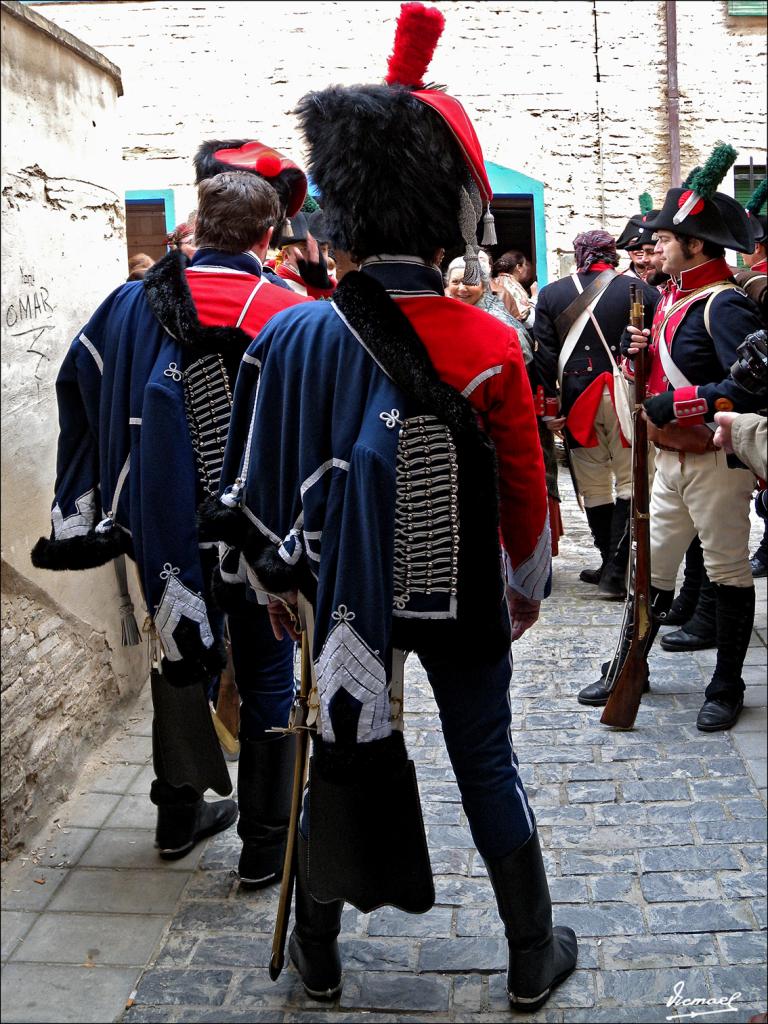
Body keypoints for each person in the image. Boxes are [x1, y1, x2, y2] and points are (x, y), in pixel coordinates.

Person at [209, 1, 576, 1010]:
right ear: (449, 219)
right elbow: (524, 505)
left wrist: (280, 589)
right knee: (486, 762)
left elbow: (258, 484)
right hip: (457, 591)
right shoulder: (488, 344)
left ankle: (320, 953)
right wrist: (524, 587)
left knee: (342, 750)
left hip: (337, 595)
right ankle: (531, 952)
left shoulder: (290, 336)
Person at [31, 146, 315, 881]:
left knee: (179, 660)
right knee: (268, 675)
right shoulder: (292, 312)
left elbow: (80, 382)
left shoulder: (130, 305)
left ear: (198, 225)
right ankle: (262, 846)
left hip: (162, 526)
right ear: (266, 236)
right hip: (252, 535)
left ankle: (178, 819)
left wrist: (94, 499)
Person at [578, 152, 764, 731]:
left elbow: (754, 381)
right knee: (651, 569)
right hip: (669, 458)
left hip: (715, 459)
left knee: (728, 570)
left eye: (668, 237)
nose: (656, 245)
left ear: (699, 246)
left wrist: (681, 401)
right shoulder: (673, 302)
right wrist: (642, 363)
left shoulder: (724, 303)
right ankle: (630, 663)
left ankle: (727, 684)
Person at [533, 230, 659, 599]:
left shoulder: (552, 293)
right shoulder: (640, 291)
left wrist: (550, 409)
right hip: (625, 396)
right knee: (629, 480)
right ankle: (615, 571)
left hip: (575, 400)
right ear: (612, 254)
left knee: (592, 485)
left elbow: (544, 356)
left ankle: (609, 562)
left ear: (579, 253)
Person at [446, 252, 564, 554]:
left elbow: (520, 372)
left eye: (469, 282)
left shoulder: (500, 323)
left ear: (484, 286)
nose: (461, 289)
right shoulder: (453, 317)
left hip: (502, 420)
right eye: (455, 282)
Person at [492, 249, 537, 324]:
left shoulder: (494, 282)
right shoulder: (512, 286)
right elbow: (527, 320)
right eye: (525, 264)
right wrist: (534, 297)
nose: (527, 268)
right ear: (519, 267)